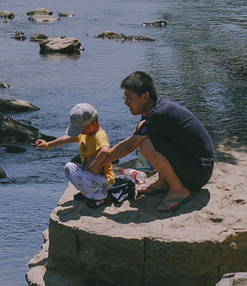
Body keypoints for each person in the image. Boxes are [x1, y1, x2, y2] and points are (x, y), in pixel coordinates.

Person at [88, 71, 214, 212]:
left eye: (129, 98)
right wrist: (99, 160)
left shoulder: (159, 114)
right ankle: (164, 182)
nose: (126, 103)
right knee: (147, 139)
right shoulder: (153, 110)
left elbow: (130, 146)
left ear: (145, 97)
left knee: (146, 144)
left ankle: (179, 190)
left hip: (198, 171)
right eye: (125, 98)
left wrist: (99, 164)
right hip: (194, 167)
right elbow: (131, 139)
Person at [34, 103, 121, 209]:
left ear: (93, 122)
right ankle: (89, 193)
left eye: (81, 128)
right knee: (69, 167)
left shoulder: (99, 136)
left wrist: (95, 165)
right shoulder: (85, 133)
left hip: (103, 179)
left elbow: (105, 151)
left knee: (80, 177)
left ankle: (103, 197)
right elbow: (67, 138)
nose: (80, 132)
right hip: (90, 176)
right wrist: (48, 145)